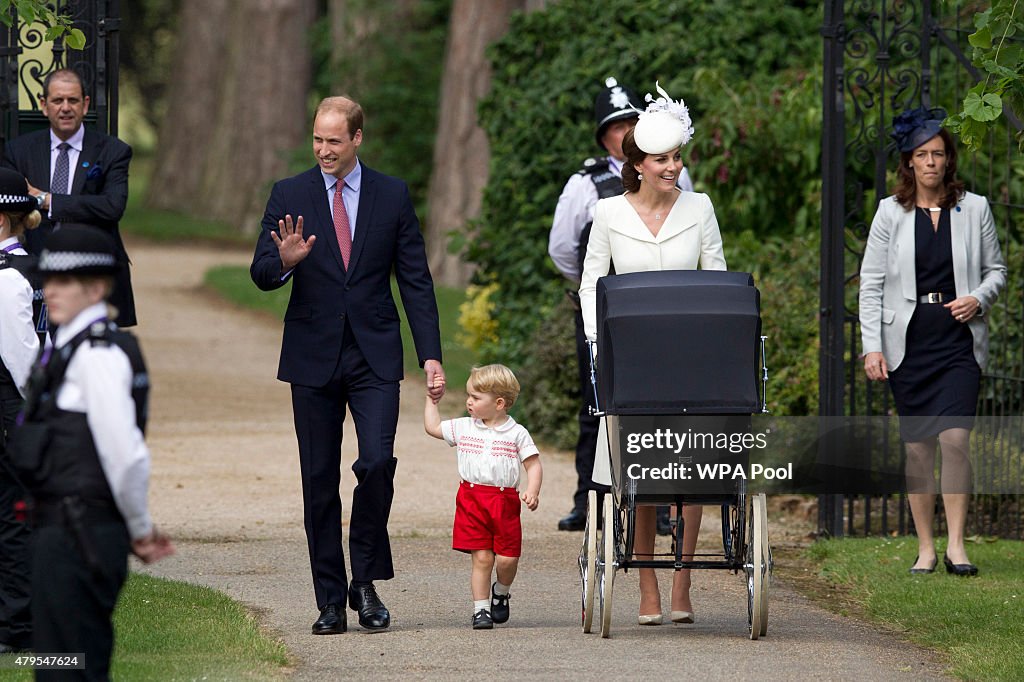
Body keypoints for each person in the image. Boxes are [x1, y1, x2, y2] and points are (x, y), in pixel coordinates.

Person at [250, 96, 445, 634]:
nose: (324, 150)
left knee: (377, 463)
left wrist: (430, 354)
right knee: (318, 481)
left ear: (358, 139)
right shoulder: (289, 194)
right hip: (312, 356)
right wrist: (284, 263)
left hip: (374, 353)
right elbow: (261, 271)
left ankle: (365, 579)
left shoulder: (391, 194)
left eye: (334, 140)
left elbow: (415, 280)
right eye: (317, 139)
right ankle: (331, 600)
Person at [579, 83, 726, 625]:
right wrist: (600, 340)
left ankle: (683, 581)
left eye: (677, 156)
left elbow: (718, 278)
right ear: (637, 164)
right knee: (642, 474)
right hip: (634, 358)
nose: (674, 166)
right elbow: (593, 280)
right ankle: (646, 584)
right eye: (662, 159)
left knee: (692, 472)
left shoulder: (701, 207)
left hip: (693, 358)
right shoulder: (609, 214)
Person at [8, 226, 173, 680]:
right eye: (49, 281)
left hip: (80, 533)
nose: (51, 291)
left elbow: (125, 454)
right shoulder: (68, 348)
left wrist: (139, 528)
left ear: (98, 287)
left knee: (73, 666)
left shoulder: (97, 356)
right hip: (57, 529)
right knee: (56, 663)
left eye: (66, 282)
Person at [859, 107, 1005, 577]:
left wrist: (978, 299)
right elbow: (871, 283)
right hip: (909, 338)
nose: (930, 162)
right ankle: (925, 547)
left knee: (956, 439)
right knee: (919, 447)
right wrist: (871, 346)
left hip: (958, 338)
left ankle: (957, 546)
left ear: (948, 160)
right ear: (909, 162)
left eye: (938, 153)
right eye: (921, 154)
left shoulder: (975, 208)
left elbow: (996, 271)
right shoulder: (890, 211)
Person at [549, 77, 691, 535]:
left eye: (633, 122)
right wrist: (592, 291)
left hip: (665, 307)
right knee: (597, 403)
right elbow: (564, 247)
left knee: (666, 404)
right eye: (617, 126)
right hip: (605, 307)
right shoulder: (586, 182)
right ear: (604, 134)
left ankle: (663, 500)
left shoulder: (674, 173)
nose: (626, 131)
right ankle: (590, 499)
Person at [1, 68, 136, 328]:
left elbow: (112, 206)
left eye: (72, 100)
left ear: (85, 105)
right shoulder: (19, 151)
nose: (65, 108)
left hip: (91, 268)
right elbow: (12, 206)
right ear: (44, 105)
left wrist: (47, 200)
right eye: (57, 100)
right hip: (35, 267)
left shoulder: (113, 151)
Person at [423, 364, 543, 629]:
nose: (469, 401)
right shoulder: (464, 427)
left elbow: (533, 464)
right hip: (471, 499)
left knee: (507, 558)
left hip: (504, 502)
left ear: (499, 403)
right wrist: (432, 400)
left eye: (476, 398)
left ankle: (501, 590)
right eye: (469, 395)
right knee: (482, 557)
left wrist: (532, 490)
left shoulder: (516, 433)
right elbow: (432, 427)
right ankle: (481, 609)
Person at [0, 169, 42, 654]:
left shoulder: (11, 278)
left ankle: (16, 626)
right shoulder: (26, 270)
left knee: (14, 517)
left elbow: (22, 359)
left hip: (13, 408)